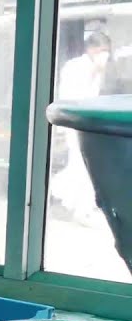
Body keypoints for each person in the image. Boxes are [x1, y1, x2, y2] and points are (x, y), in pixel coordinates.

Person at [50, 31, 111, 225]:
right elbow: (72, 96)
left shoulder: (98, 70)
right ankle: (80, 209)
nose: (105, 56)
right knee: (83, 166)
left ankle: (63, 197)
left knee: (80, 167)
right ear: (91, 49)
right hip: (75, 125)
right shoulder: (75, 67)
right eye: (102, 51)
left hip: (88, 125)